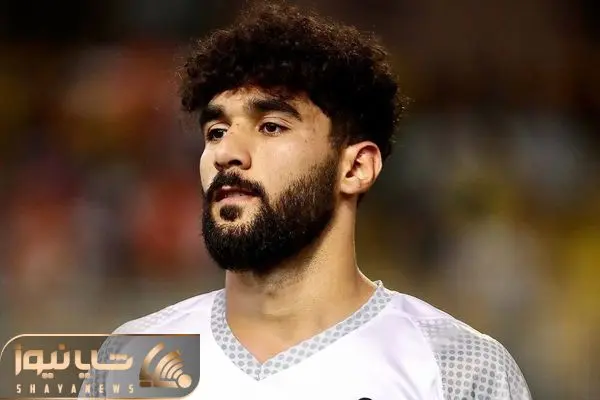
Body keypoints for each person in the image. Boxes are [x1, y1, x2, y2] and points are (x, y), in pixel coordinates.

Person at [88, 1, 532, 399]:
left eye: (271, 127)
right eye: (216, 131)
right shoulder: (135, 358)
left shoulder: (457, 368)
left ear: (356, 168)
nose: (226, 153)